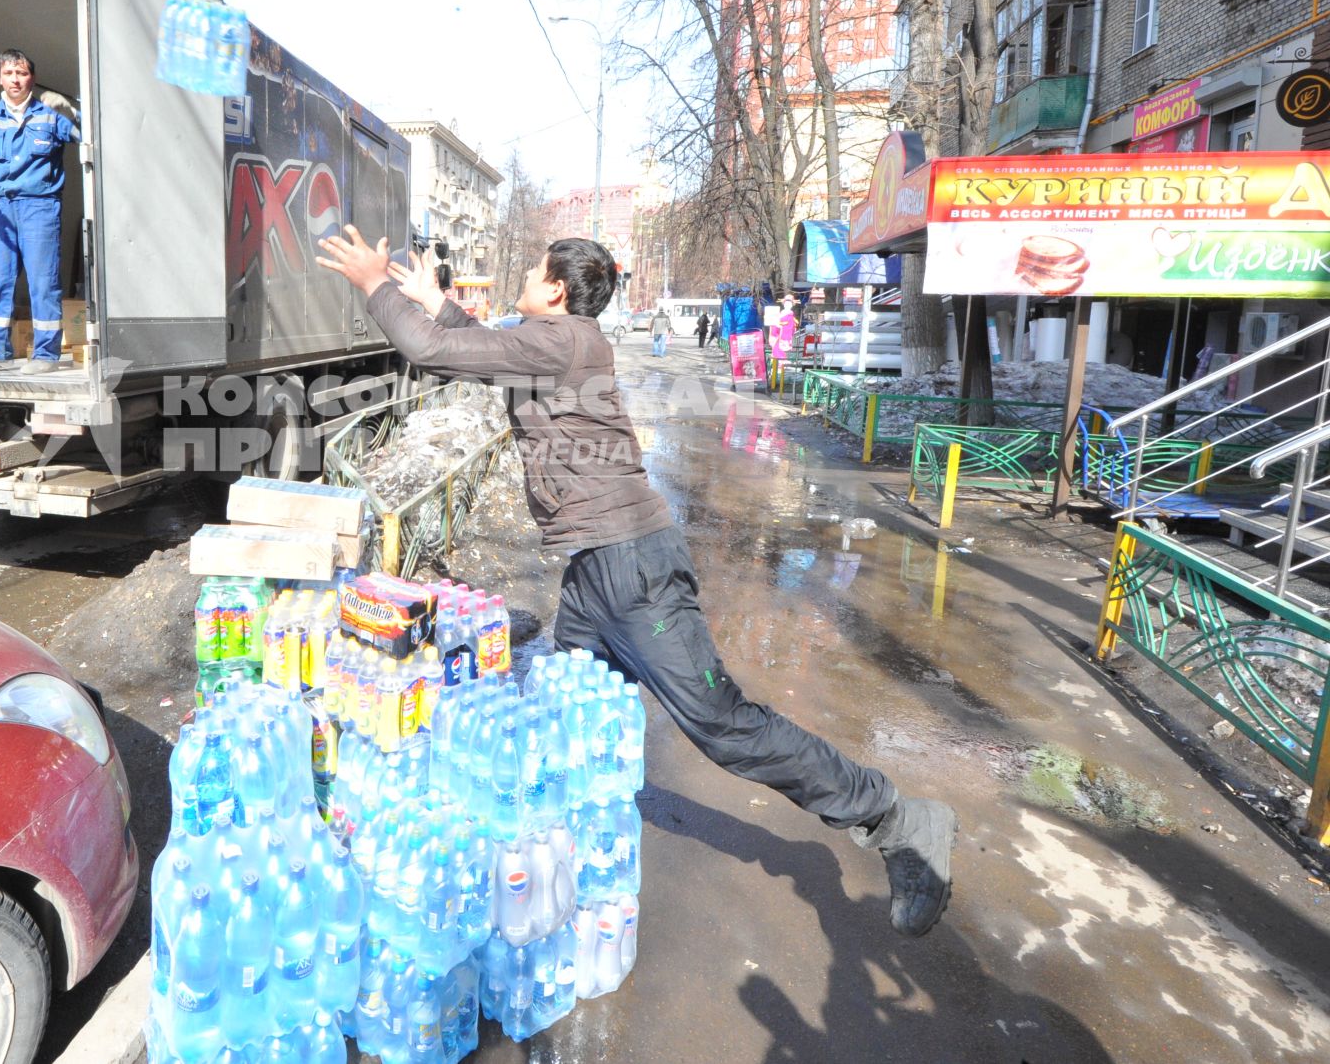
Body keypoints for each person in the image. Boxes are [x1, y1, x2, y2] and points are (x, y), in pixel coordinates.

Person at [316, 227, 957, 938]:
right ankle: (561, 878)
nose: (524, 279)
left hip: (633, 569)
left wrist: (374, 282)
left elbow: (435, 352)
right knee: (566, 713)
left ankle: (898, 818)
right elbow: (479, 350)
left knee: (723, 723)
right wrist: (441, 303)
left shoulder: (561, 340)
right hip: (594, 571)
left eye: (533, 269)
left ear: (555, 289)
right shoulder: (554, 342)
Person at [0, 49, 80, 374]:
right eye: (9, 74)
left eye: (21, 74)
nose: (15, 80)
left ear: (31, 78)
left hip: (40, 207)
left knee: (42, 282)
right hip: (4, 211)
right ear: (0, 78)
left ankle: (46, 355)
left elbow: (90, 138)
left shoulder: (50, 116)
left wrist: (72, 113)